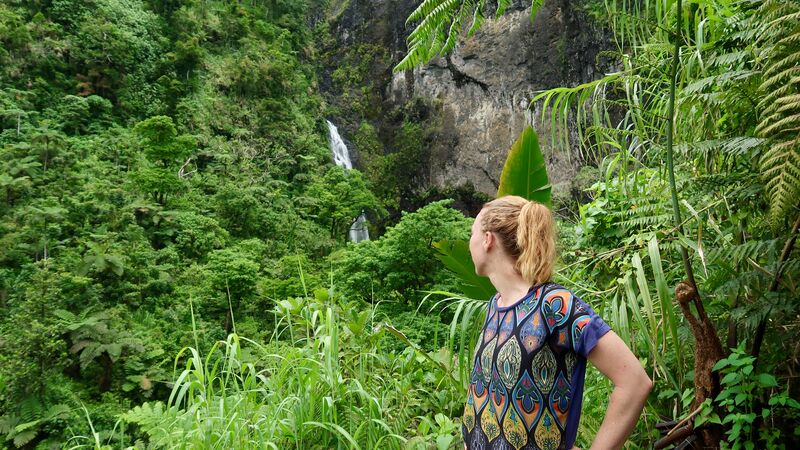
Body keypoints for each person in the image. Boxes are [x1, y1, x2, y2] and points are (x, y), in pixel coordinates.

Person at [462, 195, 652, 450]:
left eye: (472, 232)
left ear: (487, 240)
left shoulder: (553, 305)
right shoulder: (495, 306)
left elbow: (635, 382)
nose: (468, 243)